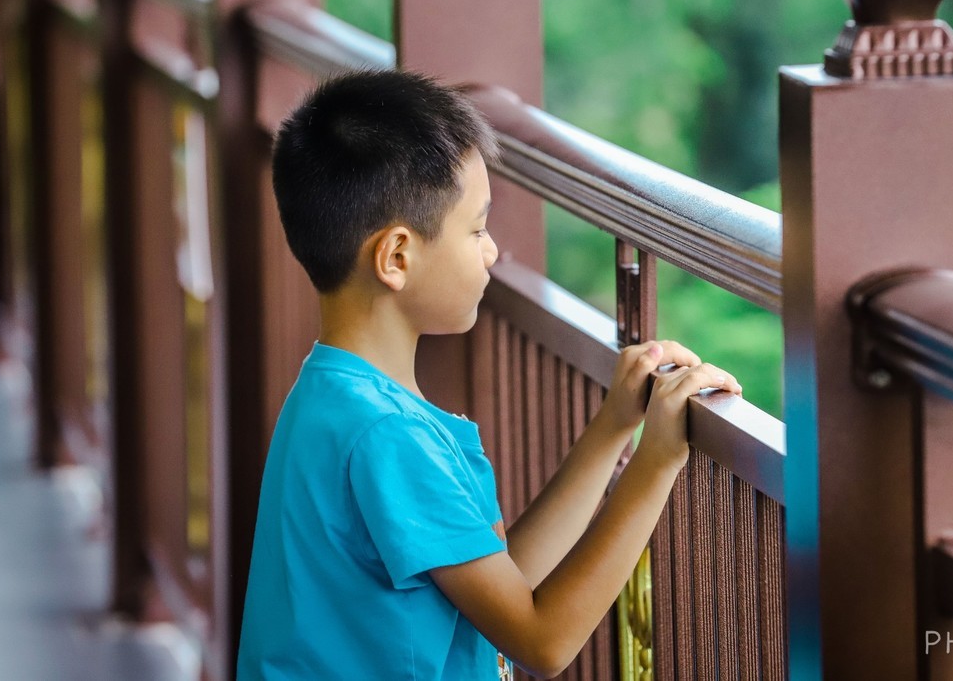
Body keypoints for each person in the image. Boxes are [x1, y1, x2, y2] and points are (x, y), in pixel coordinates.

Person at [236, 68, 741, 680]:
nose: (492, 250)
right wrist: (657, 462)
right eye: (476, 228)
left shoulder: (334, 396)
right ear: (396, 257)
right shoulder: (389, 436)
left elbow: (503, 586)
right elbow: (542, 641)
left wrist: (613, 429)